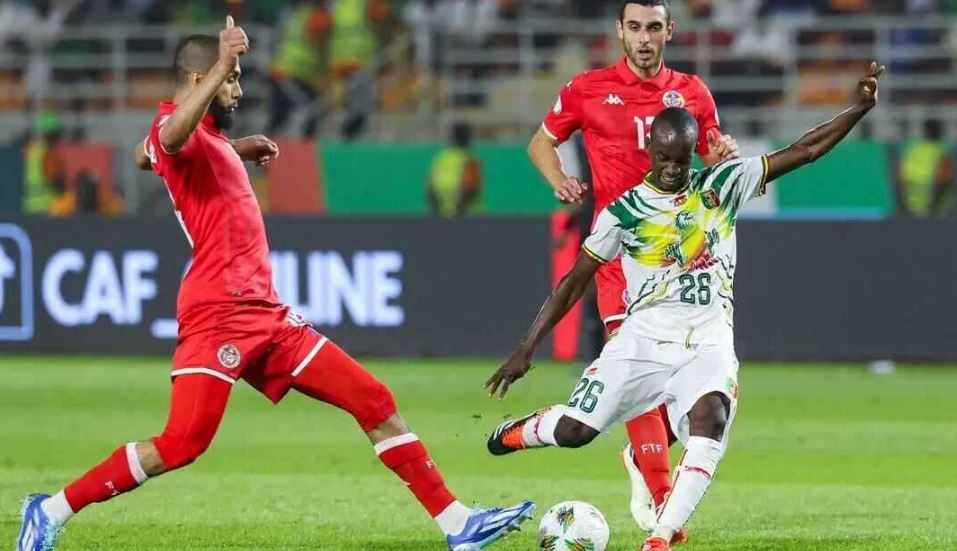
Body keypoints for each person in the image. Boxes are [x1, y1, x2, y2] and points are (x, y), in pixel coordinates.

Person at [16, 16, 534, 551]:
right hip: (220, 313)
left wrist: (233, 147)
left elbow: (143, 155)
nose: (238, 90)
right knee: (182, 443)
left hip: (266, 313)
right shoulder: (174, 126)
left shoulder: (204, 139)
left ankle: (458, 524)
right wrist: (222, 62)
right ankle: (50, 509)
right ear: (200, 80)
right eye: (232, 79)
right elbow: (165, 140)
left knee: (374, 399)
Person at [487, 61, 885, 551]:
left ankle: (660, 535)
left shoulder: (723, 185)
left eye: (682, 160)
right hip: (643, 340)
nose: (673, 169)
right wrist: (526, 348)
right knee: (575, 431)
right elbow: (574, 282)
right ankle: (521, 431)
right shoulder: (625, 212)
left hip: (708, 339)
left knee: (711, 417)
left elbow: (805, 150)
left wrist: (858, 109)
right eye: (664, 158)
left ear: (693, 153)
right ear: (651, 152)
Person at [526, 0, 740, 535]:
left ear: (670, 31)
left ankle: (642, 459)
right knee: (640, 364)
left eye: (654, 28)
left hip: (679, 256)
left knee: (680, 382)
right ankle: (663, 494)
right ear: (620, 31)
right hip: (619, 257)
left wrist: (722, 156)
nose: (645, 38)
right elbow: (541, 143)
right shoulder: (587, 89)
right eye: (636, 28)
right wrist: (558, 179)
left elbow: (710, 158)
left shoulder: (693, 92)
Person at [427, 122, 483, 217]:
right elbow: (470, 189)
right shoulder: (469, 159)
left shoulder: (441, 158)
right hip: (467, 215)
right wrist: (459, 213)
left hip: (441, 214)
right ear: (468, 138)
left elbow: (430, 190)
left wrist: (438, 212)